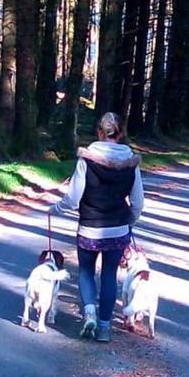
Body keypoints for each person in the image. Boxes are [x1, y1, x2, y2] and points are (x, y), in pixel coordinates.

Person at [49, 112, 144, 342]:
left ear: (99, 132)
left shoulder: (86, 160)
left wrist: (55, 209)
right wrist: (129, 221)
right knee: (110, 274)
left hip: (89, 228)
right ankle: (104, 328)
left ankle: (89, 313)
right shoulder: (131, 163)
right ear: (120, 133)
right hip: (118, 228)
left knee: (86, 272)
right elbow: (138, 202)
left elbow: (73, 199)